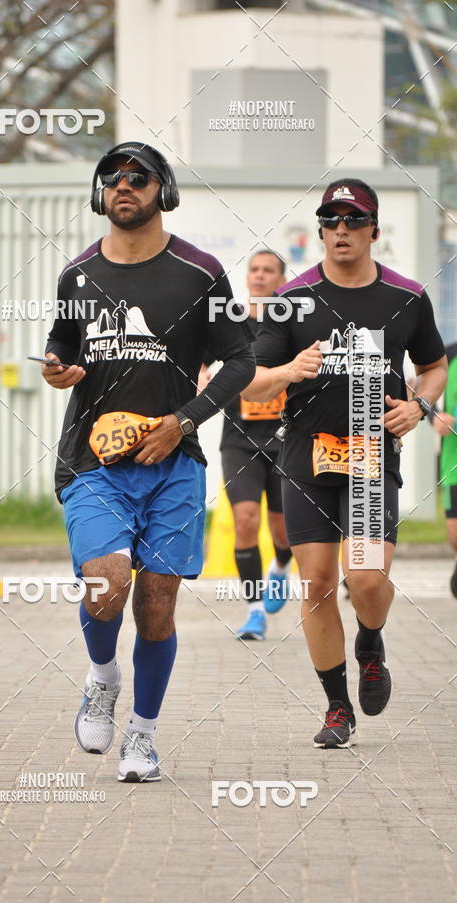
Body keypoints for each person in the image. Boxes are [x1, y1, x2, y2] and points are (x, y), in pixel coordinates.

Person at [42, 141, 254, 782]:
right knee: (107, 584)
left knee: (157, 603)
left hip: (175, 462)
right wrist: (58, 370)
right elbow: (59, 345)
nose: (124, 187)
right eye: (111, 178)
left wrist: (183, 420)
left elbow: (241, 360)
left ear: (163, 190)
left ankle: (143, 735)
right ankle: (103, 677)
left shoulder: (200, 273)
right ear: (98, 194)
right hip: (92, 460)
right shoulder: (77, 274)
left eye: (139, 177)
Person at [242, 178, 447, 748]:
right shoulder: (294, 299)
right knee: (316, 585)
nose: (340, 231)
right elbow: (254, 385)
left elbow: (433, 366)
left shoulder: (405, 297)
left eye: (353, 221)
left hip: (369, 454)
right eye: (330, 221)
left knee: (365, 579)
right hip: (304, 457)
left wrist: (420, 405)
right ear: (321, 231)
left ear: (373, 231)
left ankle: (371, 643)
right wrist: (288, 371)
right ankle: (337, 707)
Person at [220, 251, 293, 640]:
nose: (260, 276)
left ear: (281, 279)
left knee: (283, 531)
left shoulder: (292, 322)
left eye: (268, 270)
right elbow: (201, 362)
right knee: (246, 520)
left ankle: (281, 568)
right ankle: (254, 612)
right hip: (239, 439)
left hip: (285, 439)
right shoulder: (230, 321)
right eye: (254, 269)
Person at [431, 341, 457, 596]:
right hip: (453, 460)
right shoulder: (449, 354)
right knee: (454, 533)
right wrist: (434, 416)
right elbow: (422, 388)